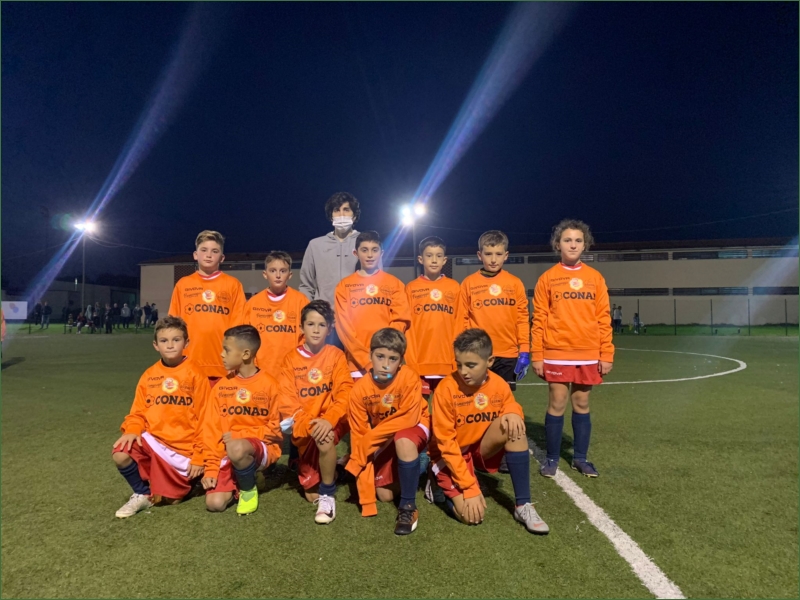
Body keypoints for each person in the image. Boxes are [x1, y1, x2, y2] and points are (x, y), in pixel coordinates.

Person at [429, 329, 549, 533]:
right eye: (459, 364)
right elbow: (446, 444)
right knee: (471, 517)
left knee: (514, 425)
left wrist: (513, 411)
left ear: (490, 361)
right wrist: (469, 487)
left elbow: (510, 404)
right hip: (450, 455)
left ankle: (523, 505)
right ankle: (437, 483)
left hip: (479, 449)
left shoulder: (498, 384)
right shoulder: (446, 389)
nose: (463, 371)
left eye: (471, 365)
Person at [531, 219, 614, 479]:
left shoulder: (595, 278)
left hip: (588, 352)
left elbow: (603, 317)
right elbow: (539, 319)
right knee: (557, 402)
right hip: (556, 352)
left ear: (585, 244)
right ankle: (552, 459)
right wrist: (537, 355)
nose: (573, 245)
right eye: (567, 240)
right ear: (558, 244)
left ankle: (580, 458)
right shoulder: (548, 278)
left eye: (578, 240)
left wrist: (606, 353)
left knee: (581, 402)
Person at [111, 316, 210, 518]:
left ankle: (191, 481)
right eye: (164, 341)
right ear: (155, 345)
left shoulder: (196, 374)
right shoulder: (149, 375)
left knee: (172, 501)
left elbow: (207, 419)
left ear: (186, 343)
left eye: (176, 340)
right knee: (121, 452)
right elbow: (137, 412)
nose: (170, 345)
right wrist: (132, 430)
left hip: (185, 450)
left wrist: (200, 455)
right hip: (155, 442)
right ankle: (142, 493)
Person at [345, 328, 431, 535]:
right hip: (385, 435)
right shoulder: (359, 391)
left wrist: (363, 449)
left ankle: (408, 507)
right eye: (380, 356)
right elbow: (359, 438)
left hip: (415, 427)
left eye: (392, 359)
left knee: (403, 439)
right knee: (384, 495)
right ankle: (419, 468)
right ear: (370, 356)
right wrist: (367, 502)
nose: (385, 364)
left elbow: (408, 419)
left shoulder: (409, 378)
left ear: (401, 361)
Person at [279, 300, 353, 524]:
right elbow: (287, 403)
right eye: (311, 324)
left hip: (332, 422)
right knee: (310, 493)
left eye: (322, 325)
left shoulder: (336, 355)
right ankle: (338, 468)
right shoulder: (290, 359)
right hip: (306, 426)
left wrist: (328, 420)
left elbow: (345, 393)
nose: (316, 330)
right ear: (301, 327)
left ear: (329, 329)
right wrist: (311, 424)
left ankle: (328, 495)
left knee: (325, 438)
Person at [201, 325, 283, 515]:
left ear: (246, 354)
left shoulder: (270, 385)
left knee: (237, 448)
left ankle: (248, 489)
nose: (221, 354)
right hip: (228, 451)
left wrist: (240, 435)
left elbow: (276, 431)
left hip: (261, 449)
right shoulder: (221, 387)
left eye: (227, 350)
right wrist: (211, 468)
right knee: (215, 504)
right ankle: (249, 477)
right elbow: (211, 431)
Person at [455, 230, 530, 392]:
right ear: (479, 255)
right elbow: (462, 320)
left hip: (507, 354)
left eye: (498, 254)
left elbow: (522, 319)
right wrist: (462, 349)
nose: (494, 259)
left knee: (503, 401)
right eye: (488, 254)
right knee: (478, 401)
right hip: (478, 352)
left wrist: (524, 349)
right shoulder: (469, 283)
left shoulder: (515, 283)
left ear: (506, 255)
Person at [169, 230, 245, 386]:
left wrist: (236, 360)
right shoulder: (183, 285)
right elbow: (173, 327)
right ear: (195, 255)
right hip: (189, 365)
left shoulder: (233, 285)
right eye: (204, 250)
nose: (209, 255)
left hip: (223, 367)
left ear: (222, 258)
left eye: (215, 251)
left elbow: (240, 327)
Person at [334, 231, 411, 379]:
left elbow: (400, 320)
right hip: (356, 365)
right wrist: (366, 360)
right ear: (356, 253)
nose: (370, 255)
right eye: (364, 250)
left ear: (381, 253)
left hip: (387, 363)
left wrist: (385, 354)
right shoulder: (344, 286)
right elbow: (344, 329)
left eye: (374, 250)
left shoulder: (394, 284)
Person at [405, 236, 460, 397]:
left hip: (447, 363)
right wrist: (412, 362)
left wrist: (456, 359)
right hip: (419, 364)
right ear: (420, 259)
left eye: (438, 256)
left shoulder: (454, 287)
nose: (434, 260)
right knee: (419, 408)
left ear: (444, 260)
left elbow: (460, 324)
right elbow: (408, 329)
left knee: (446, 407)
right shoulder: (411, 288)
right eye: (429, 256)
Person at [243, 251, 309, 376]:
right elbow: (246, 339)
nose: (278, 275)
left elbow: (306, 337)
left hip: (292, 371)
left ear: (290, 275)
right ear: (265, 274)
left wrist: (301, 362)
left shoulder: (301, 301)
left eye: (283, 271)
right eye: (273, 271)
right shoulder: (253, 303)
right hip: (262, 371)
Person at [299, 192, 361, 307]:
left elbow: (376, 279)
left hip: (357, 313)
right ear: (331, 216)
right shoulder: (315, 245)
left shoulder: (365, 244)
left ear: (354, 215)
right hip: (324, 314)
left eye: (346, 210)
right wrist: (310, 312)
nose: (341, 214)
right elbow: (306, 286)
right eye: (336, 210)